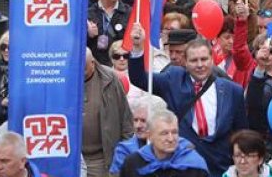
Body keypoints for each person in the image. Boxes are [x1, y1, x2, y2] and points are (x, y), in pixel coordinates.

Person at [127, 26, 249, 176]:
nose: (199, 65)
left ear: (212, 59)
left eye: (204, 59)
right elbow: (140, 78)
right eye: (194, 60)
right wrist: (138, 47)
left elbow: (242, 135)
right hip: (183, 167)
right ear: (185, 61)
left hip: (220, 168)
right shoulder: (173, 79)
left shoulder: (232, 91)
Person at [83, 49, 133, 177]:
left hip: (104, 159)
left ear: (93, 63)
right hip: (75, 159)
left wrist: (124, 154)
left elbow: (126, 119)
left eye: (84, 69)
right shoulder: (63, 79)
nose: (80, 73)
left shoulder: (110, 79)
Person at [120, 110, 210, 177]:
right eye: (164, 133)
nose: (171, 139)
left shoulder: (195, 166)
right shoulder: (133, 163)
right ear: (150, 135)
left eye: (174, 132)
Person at [87, 0, 131, 66]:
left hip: (123, 66)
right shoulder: (88, 14)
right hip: (98, 67)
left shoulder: (129, 12)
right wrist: (88, 34)